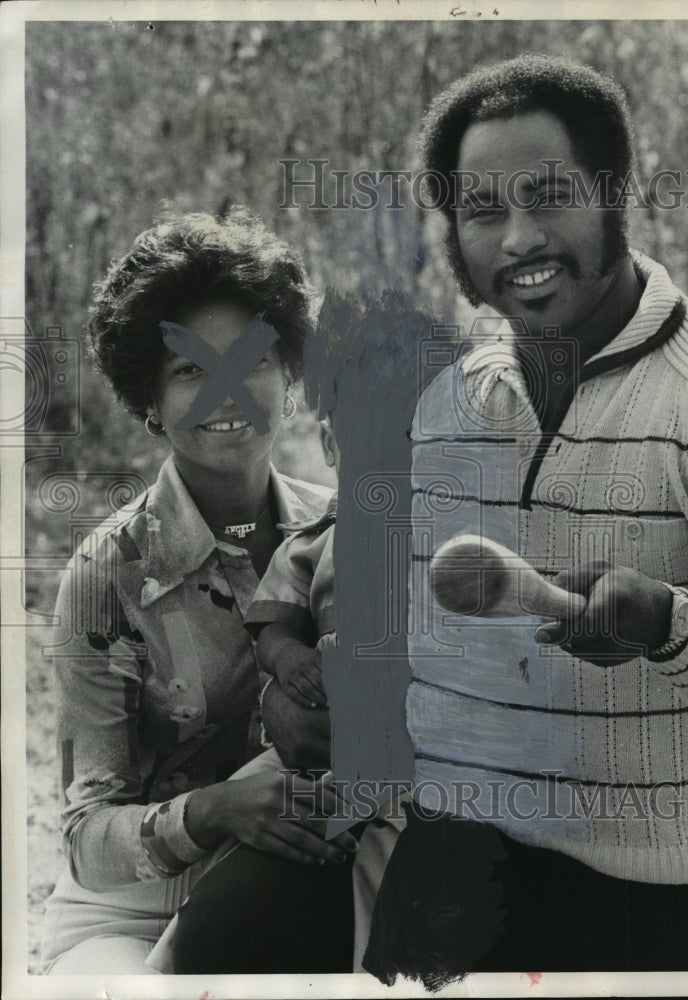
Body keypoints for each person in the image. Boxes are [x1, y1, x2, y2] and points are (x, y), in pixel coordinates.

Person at [364, 54, 688, 982]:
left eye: (549, 196)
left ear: (613, 195)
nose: (518, 238)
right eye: (481, 211)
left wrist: (665, 620)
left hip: (663, 901)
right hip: (452, 873)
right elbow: (415, 655)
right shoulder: (445, 401)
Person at [40, 208, 359, 975]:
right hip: (127, 915)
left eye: (249, 360)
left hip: (297, 886)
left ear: (288, 375)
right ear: (149, 401)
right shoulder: (105, 574)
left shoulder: (342, 533)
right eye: (190, 370)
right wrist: (214, 812)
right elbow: (87, 839)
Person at [168, 289, 437, 973]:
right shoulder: (314, 543)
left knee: (392, 858)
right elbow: (274, 626)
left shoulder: (450, 540)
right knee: (254, 823)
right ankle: (166, 960)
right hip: (310, 743)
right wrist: (287, 668)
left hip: (409, 761)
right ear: (329, 443)